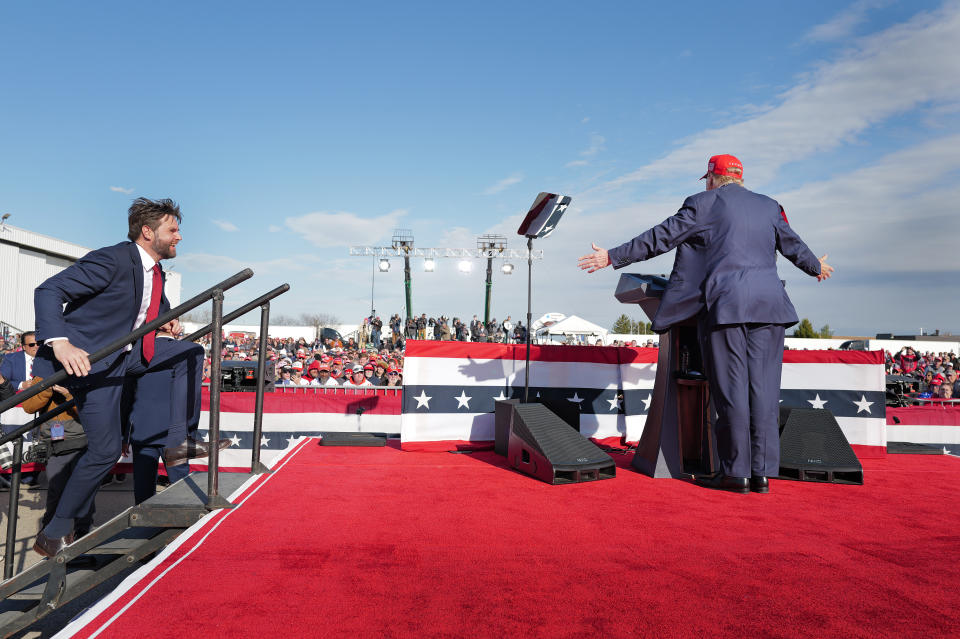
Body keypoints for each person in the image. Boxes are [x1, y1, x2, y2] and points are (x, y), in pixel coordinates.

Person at [578, 154, 833, 494]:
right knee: (764, 391)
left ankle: (737, 473)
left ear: (712, 178)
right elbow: (792, 245)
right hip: (771, 309)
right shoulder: (770, 206)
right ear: (741, 177)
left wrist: (613, 255)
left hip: (727, 307)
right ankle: (761, 473)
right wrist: (815, 267)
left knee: (731, 391)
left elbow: (661, 237)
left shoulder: (702, 203)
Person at [30, 197, 230, 557]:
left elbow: (146, 305)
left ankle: (177, 442)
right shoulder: (113, 258)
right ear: (148, 231)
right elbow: (48, 291)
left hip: (121, 360)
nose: (179, 237)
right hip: (86, 364)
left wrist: (166, 316)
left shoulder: (154, 271)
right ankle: (54, 532)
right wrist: (60, 343)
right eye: (173, 229)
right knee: (105, 452)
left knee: (189, 350)